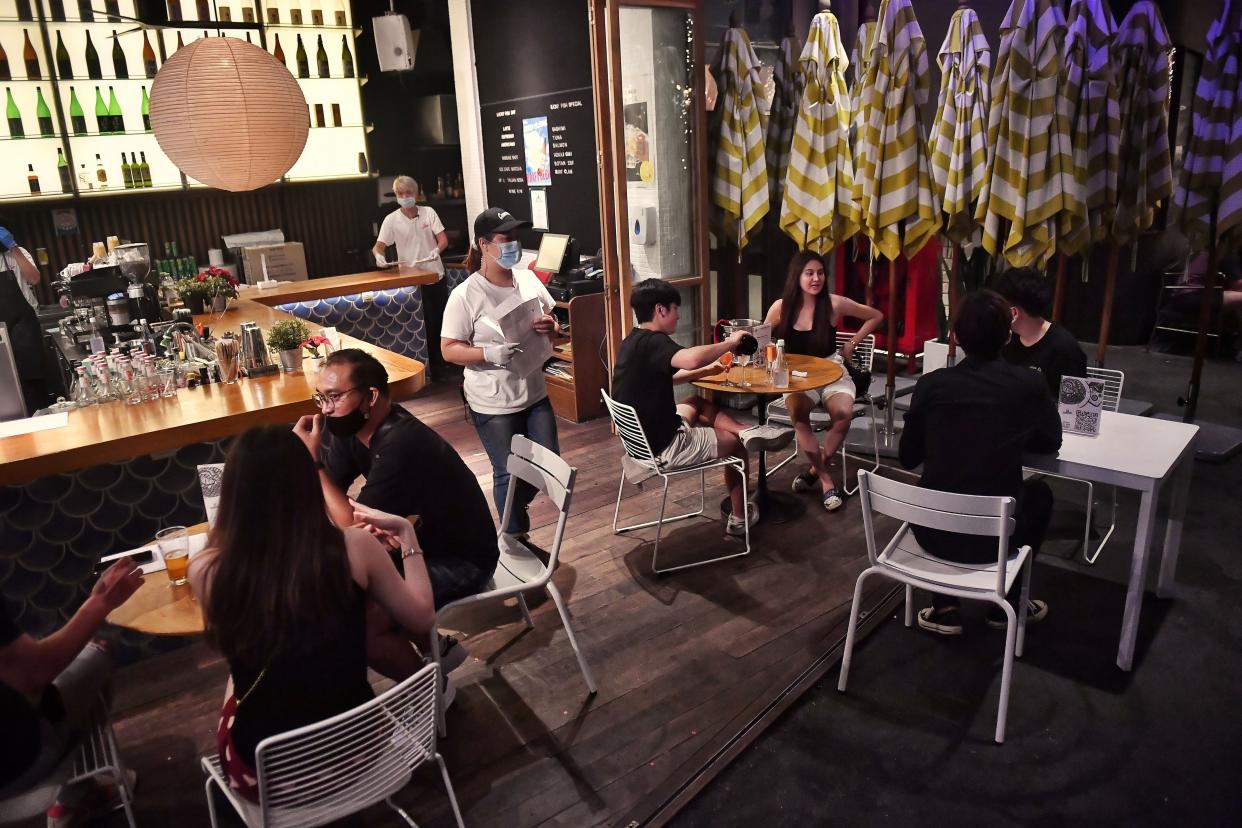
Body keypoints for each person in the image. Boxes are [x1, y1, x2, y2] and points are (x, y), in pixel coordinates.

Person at [189, 425, 437, 803]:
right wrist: (407, 535)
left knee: (236, 683)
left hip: (266, 776)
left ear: (234, 493)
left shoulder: (205, 570)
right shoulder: (355, 546)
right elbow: (422, 618)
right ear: (306, 484)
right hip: (361, 756)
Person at [899, 290, 1062, 635]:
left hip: (934, 534)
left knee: (934, 488)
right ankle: (1007, 604)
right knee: (1040, 496)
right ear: (1007, 336)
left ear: (955, 336)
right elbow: (1051, 442)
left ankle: (944, 607)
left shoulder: (931, 385)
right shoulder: (1029, 384)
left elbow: (908, 456)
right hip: (997, 536)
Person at [293, 349, 498, 621]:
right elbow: (330, 496)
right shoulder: (354, 428)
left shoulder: (402, 444)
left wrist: (314, 464)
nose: (325, 410)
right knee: (329, 578)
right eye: (321, 398)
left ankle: (434, 653)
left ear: (371, 397)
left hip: (462, 562)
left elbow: (352, 528)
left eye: (334, 397)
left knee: (350, 598)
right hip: (418, 542)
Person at [613, 278, 794, 535]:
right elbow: (691, 358)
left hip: (640, 441)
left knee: (695, 402)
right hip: (665, 448)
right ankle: (740, 519)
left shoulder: (633, 340)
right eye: (675, 308)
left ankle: (745, 430)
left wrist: (708, 370)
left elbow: (666, 377)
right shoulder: (656, 342)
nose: (679, 315)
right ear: (660, 310)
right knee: (736, 447)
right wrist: (732, 342)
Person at [441, 207, 560, 542]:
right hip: (493, 402)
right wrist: (487, 353)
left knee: (549, 465)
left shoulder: (527, 279)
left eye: (516, 239)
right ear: (484, 245)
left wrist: (552, 326)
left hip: (534, 392)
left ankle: (510, 519)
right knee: (508, 473)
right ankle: (514, 537)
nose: (513, 245)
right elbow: (449, 349)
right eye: (505, 239)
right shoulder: (465, 295)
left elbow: (553, 323)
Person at [0, 557, 144, 824]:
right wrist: (101, 602)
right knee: (99, 649)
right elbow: (33, 673)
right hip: (22, 762)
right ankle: (75, 796)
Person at [764, 250, 883, 511]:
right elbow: (763, 342)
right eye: (809, 273)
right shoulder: (781, 307)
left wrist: (852, 344)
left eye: (820, 273)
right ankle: (827, 479)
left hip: (832, 370)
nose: (816, 278)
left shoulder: (834, 303)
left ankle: (814, 472)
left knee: (843, 415)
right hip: (797, 376)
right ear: (797, 276)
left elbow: (876, 315)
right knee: (799, 416)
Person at [372, 176, 450, 377]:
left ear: (416, 194)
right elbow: (378, 246)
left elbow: (442, 239)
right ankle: (430, 367)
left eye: (409, 193)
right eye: (401, 194)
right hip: (412, 281)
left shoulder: (428, 213)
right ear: (396, 196)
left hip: (435, 275)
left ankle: (446, 362)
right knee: (424, 324)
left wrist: (436, 251)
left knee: (442, 322)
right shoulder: (391, 220)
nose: (405, 197)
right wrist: (379, 256)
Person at [996, 266, 1088, 398]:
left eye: (1000, 305)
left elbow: (1076, 406)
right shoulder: (1005, 339)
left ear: (1014, 312)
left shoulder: (1065, 348)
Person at [0, 219, 49, 414]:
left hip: (25, 328)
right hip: (1, 334)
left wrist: (13, 247)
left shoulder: (17, 254)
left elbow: (34, 278)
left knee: (33, 385)